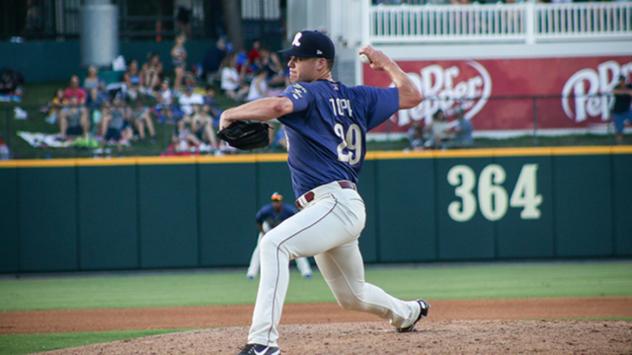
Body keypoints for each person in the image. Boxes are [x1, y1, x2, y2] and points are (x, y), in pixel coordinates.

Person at [219, 30, 429, 355]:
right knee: (352, 295)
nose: (290, 61)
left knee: (273, 244)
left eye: (298, 57)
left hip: (333, 203)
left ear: (320, 64)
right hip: (338, 207)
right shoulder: (359, 97)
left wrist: (230, 113)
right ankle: (407, 313)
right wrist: (385, 63)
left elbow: (279, 104)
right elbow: (412, 95)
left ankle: (263, 343)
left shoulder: (309, 92)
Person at [247, 193, 313, 280]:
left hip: (283, 231)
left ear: (281, 202)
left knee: (296, 249)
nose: (276, 203)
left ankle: (306, 272)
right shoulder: (266, 210)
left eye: (277, 201)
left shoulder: (288, 210)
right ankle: (251, 273)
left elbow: (297, 219)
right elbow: (258, 220)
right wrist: (263, 232)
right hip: (268, 230)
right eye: (274, 201)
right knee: (259, 249)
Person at [612, 75, 632, 145]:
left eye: (623, 81)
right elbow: (615, 91)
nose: (622, 82)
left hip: (627, 110)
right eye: (621, 81)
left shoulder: (629, 86)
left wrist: (627, 91)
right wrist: (626, 92)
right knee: (619, 130)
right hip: (618, 112)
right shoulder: (617, 87)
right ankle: (619, 144)